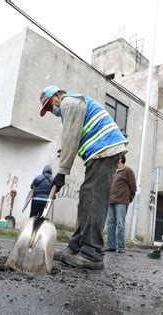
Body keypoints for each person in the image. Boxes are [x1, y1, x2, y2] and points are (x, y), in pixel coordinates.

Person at [39, 85, 128, 270]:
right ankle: (75, 248)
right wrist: (65, 151)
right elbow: (75, 135)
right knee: (87, 198)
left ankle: (92, 254)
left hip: (104, 150)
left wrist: (62, 172)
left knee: (93, 198)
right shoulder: (73, 104)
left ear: (57, 95)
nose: (50, 110)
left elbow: (70, 136)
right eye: (47, 109)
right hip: (99, 153)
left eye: (49, 105)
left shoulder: (68, 102)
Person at [105, 154, 136, 253]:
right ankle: (111, 246)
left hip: (122, 202)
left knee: (120, 224)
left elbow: (133, 187)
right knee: (110, 224)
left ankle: (121, 247)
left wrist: (129, 198)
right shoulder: (113, 171)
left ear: (120, 159)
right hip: (110, 201)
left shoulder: (128, 171)